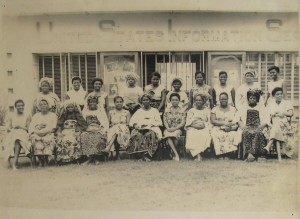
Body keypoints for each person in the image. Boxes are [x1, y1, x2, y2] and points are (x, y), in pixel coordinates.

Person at [127, 94, 163, 161]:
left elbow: (159, 122)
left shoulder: (155, 111)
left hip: (152, 127)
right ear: (141, 102)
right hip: (140, 128)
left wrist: (150, 124)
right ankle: (140, 155)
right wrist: (135, 125)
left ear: (150, 101)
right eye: (144, 100)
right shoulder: (138, 111)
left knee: (150, 134)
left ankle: (148, 155)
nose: (145, 101)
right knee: (138, 134)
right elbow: (131, 122)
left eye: (147, 100)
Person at [236, 90, 269, 162]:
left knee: (258, 133)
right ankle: (247, 154)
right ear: (248, 99)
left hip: (258, 126)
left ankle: (256, 154)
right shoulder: (244, 107)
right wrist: (241, 125)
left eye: (254, 98)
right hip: (247, 126)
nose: (252, 100)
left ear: (257, 99)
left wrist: (262, 126)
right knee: (245, 133)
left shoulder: (262, 108)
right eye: (250, 98)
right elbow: (237, 118)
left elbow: (267, 119)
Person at [264, 87, 294, 159]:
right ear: (274, 96)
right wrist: (270, 121)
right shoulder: (270, 104)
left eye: (281, 94)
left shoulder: (286, 103)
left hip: (284, 124)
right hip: (274, 124)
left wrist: (282, 113)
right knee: (276, 126)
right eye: (277, 94)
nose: (280, 95)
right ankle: (279, 157)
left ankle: (269, 145)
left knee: (276, 125)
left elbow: (291, 114)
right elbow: (267, 116)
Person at [211, 92, 241, 158]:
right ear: (219, 100)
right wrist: (224, 123)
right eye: (221, 99)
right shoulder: (215, 109)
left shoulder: (233, 109)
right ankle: (220, 154)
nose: (223, 100)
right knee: (217, 134)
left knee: (231, 134)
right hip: (218, 127)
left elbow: (236, 120)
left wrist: (230, 127)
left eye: (225, 99)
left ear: (228, 99)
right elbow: (213, 120)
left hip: (230, 127)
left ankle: (228, 154)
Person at [29, 99, 57, 167]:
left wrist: (45, 133)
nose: (43, 106)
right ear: (39, 107)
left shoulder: (53, 115)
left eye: (45, 104)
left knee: (47, 139)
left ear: (48, 106)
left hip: (48, 133)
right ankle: (41, 160)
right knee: (36, 139)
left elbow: (53, 128)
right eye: (41, 105)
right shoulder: (36, 116)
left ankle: (46, 160)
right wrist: (37, 132)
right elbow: (31, 127)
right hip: (37, 133)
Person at [80, 96, 109, 165]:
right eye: (91, 102)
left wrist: (103, 130)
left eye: (94, 102)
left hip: (99, 129)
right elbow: (82, 123)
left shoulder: (100, 111)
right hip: (88, 130)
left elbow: (105, 122)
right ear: (88, 103)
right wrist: (86, 129)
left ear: (97, 103)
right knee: (84, 136)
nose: (92, 103)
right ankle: (92, 159)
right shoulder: (84, 112)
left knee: (98, 136)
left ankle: (92, 159)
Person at [4, 99, 31, 170]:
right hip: (13, 134)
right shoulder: (11, 115)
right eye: (19, 106)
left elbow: (28, 129)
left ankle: (14, 165)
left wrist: (20, 127)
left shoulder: (27, 115)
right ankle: (26, 150)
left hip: (23, 134)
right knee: (16, 136)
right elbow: (8, 128)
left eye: (22, 105)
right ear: (15, 107)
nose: (21, 107)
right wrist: (13, 128)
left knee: (18, 138)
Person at [185, 94, 211, 161]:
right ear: (194, 101)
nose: (198, 101)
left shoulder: (207, 110)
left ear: (203, 101)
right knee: (191, 133)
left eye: (200, 100)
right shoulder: (191, 110)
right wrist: (194, 125)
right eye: (196, 100)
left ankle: (199, 155)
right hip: (193, 126)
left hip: (204, 126)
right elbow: (188, 121)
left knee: (204, 133)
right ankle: (198, 155)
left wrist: (204, 125)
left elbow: (209, 121)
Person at [163, 93, 186, 161]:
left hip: (178, 129)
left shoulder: (182, 110)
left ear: (179, 101)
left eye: (176, 100)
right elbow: (165, 120)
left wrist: (175, 128)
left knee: (175, 135)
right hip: (168, 128)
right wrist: (168, 128)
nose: (174, 101)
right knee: (168, 135)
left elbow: (183, 122)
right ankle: (176, 154)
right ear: (170, 101)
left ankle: (173, 153)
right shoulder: (167, 110)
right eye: (173, 100)